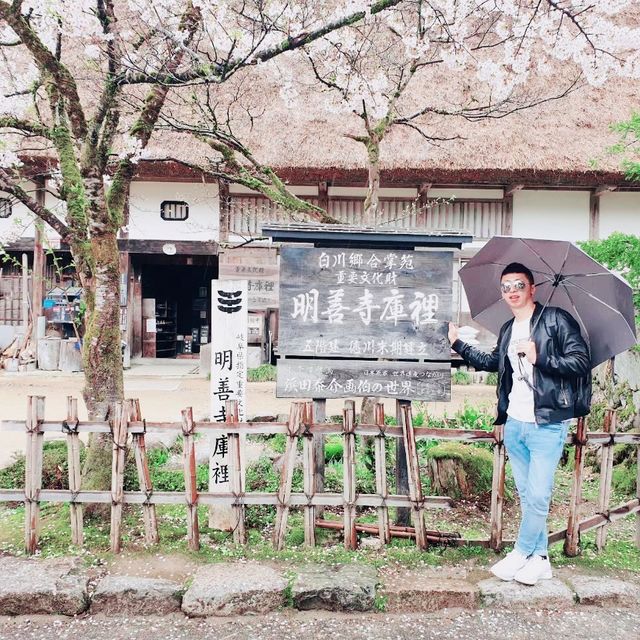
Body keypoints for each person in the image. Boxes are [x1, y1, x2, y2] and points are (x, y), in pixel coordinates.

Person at [448, 262, 591, 585]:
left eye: (518, 285)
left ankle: (521, 551)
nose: (512, 291)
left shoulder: (556, 320)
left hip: (548, 423)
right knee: (528, 496)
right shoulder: (508, 328)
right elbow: (493, 363)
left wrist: (542, 358)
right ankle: (540, 559)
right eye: (506, 287)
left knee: (539, 495)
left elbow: (580, 361)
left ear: (532, 289)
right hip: (515, 422)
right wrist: (458, 343)